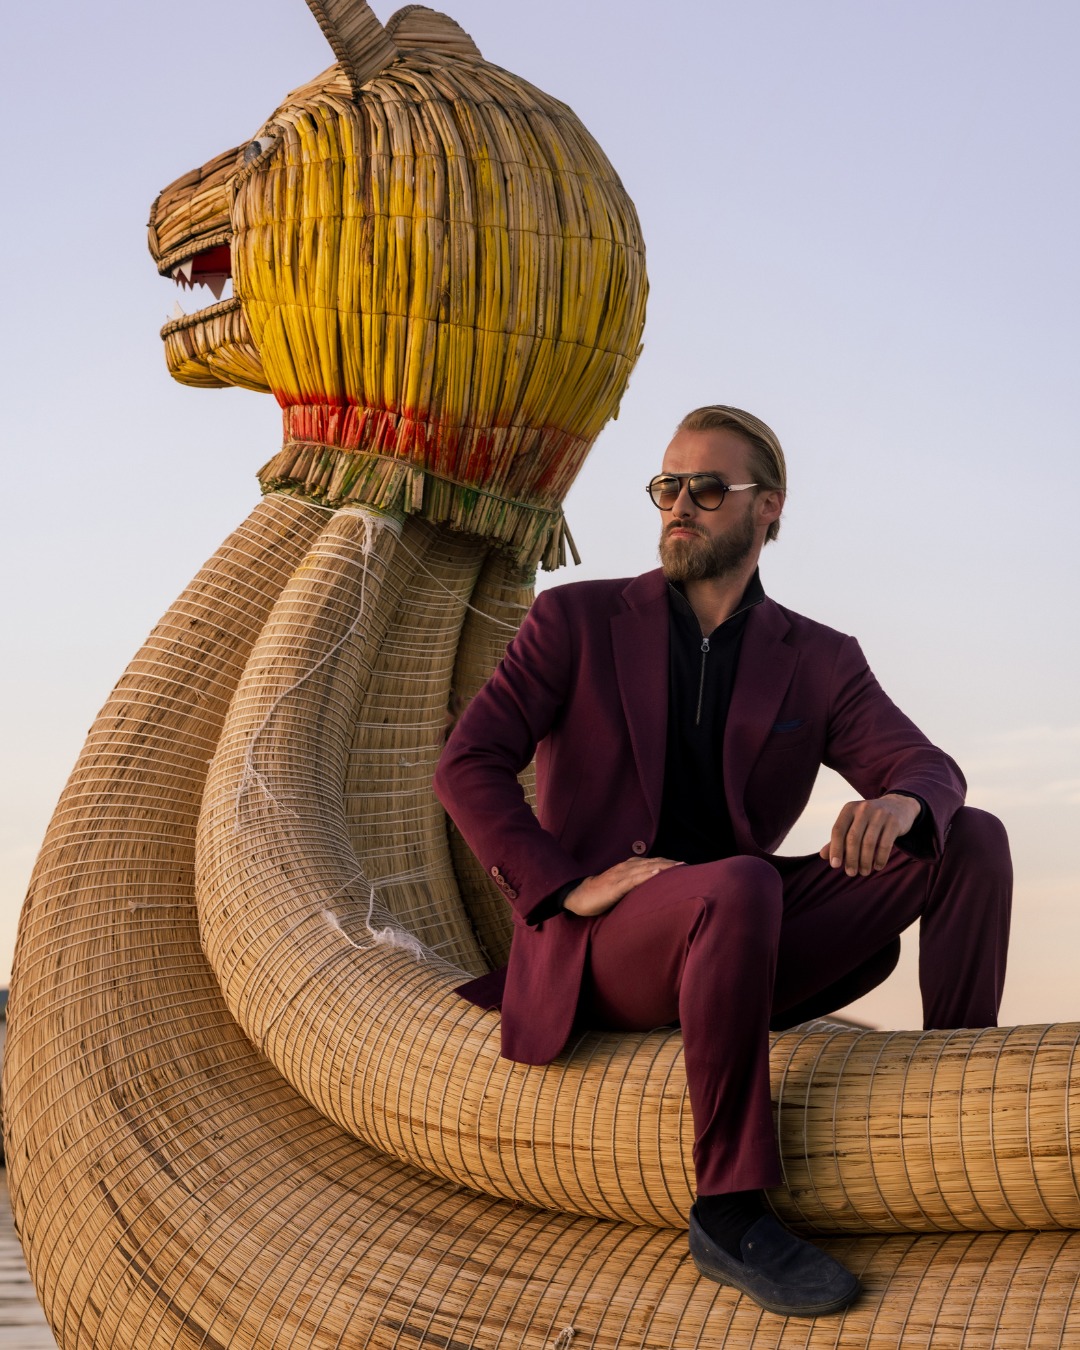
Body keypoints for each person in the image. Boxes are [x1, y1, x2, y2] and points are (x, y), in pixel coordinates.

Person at [433, 404, 1011, 1318]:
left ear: (767, 510)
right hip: (609, 946)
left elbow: (928, 765)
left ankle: (962, 1099)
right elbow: (466, 763)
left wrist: (903, 799)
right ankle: (730, 1208)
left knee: (968, 834)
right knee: (741, 882)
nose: (680, 505)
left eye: (708, 489)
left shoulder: (818, 659)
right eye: (668, 486)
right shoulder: (574, 620)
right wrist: (567, 886)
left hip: (741, 937)